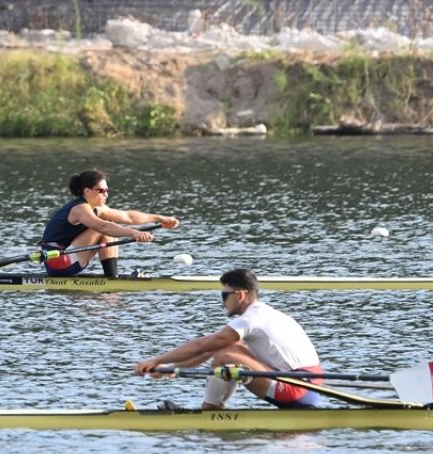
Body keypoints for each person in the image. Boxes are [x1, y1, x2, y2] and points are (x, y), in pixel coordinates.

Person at [134, 268, 323, 410]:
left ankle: (209, 413)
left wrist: (156, 360)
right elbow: (208, 347)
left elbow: (201, 345)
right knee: (226, 349)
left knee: (224, 356)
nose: (222, 301)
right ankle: (212, 412)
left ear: (240, 295)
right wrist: (171, 369)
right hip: (311, 387)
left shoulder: (252, 319)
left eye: (224, 294)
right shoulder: (264, 314)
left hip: (296, 389)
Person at [40, 168, 178, 279]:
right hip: (57, 263)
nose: (106, 194)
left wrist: (161, 219)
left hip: (70, 259)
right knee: (105, 226)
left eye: (107, 190)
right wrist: (134, 233)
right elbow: (102, 227)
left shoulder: (97, 209)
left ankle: (112, 278)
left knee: (109, 225)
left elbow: (128, 216)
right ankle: (112, 279)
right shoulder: (79, 209)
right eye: (102, 191)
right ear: (87, 191)